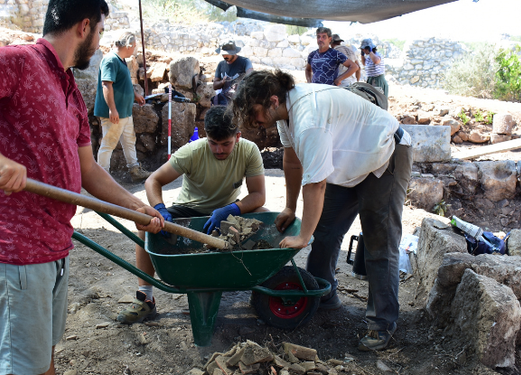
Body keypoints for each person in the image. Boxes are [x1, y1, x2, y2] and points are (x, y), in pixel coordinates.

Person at [0, 1, 165, 374]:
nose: (100, 42)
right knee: (27, 368)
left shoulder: (68, 87)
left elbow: (87, 169)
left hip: (53, 245)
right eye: (101, 32)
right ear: (84, 26)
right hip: (15, 249)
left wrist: (134, 205)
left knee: (44, 360)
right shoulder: (17, 61)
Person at [230, 70, 412, 352]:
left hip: (383, 155)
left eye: (254, 112)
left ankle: (381, 323)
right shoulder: (285, 112)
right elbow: (291, 161)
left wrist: (302, 237)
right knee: (324, 231)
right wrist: (290, 207)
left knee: (380, 242)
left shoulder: (308, 120)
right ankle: (322, 295)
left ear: (273, 100)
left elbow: (315, 183)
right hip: (349, 160)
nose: (254, 120)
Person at [116, 105, 266, 324]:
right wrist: (159, 209)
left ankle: (259, 285)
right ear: (205, 136)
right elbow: (152, 180)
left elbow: (258, 195)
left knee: (264, 216)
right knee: (147, 226)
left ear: (238, 137)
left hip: (226, 212)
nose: (219, 150)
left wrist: (232, 208)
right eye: (213, 143)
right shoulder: (193, 151)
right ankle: (145, 298)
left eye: (226, 144)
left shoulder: (249, 150)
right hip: (189, 209)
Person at [94, 31, 151, 182]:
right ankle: (102, 178)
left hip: (124, 112)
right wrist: (112, 109)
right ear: (129, 45)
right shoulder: (111, 60)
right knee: (108, 144)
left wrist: (134, 95)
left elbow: (121, 83)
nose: (135, 48)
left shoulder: (120, 61)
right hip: (115, 113)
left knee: (129, 140)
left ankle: (134, 169)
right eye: (135, 45)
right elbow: (106, 84)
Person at [213, 40, 253, 105]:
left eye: (227, 54)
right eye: (223, 54)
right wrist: (222, 82)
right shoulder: (221, 64)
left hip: (239, 100)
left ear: (234, 52)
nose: (224, 56)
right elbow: (215, 86)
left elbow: (251, 77)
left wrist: (240, 83)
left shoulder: (245, 62)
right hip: (224, 101)